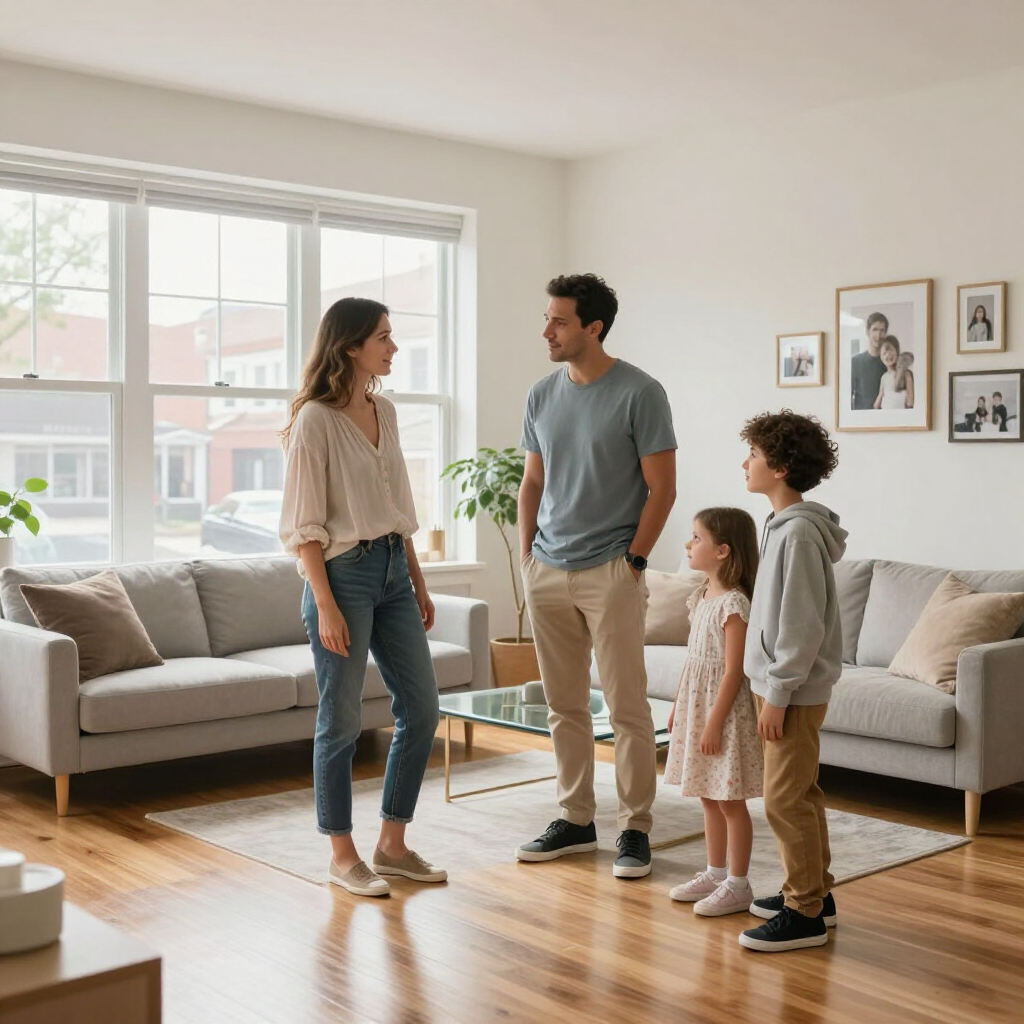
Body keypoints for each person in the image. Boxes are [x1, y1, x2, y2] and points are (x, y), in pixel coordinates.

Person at [278, 297, 445, 898]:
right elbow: (304, 525)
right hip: (342, 578)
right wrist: (324, 604)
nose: (393, 348)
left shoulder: (387, 411)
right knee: (341, 722)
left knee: (422, 710)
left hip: (394, 574)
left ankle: (392, 845)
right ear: (351, 346)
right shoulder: (315, 420)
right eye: (384, 338)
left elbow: (399, 510)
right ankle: (342, 854)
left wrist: (419, 583)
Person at [516, 273, 677, 879]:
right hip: (548, 569)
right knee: (563, 705)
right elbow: (532, 481)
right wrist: (527, 555)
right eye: (548, 318)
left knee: (627, 706)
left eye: (559, 321)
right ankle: (577, 819)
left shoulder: (641, 392)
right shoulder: (541, 394)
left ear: (593, 327)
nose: (547, 331)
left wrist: (634, 559)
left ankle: (634, 828)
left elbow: (663, 488)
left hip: (611, 568)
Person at [737, 410, 846, 953]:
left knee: (782, 799)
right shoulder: (782, 525)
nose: (745, 463)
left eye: (753, 455)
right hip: (782, 685)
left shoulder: (798, 533)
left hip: (793, 690)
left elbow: (801, 627)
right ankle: (814, 894)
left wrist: (778, 694)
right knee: (801, 791)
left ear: (778, 467)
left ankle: (803, 912)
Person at [664, 507, 763, 916]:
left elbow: (733, 671)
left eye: (697, 538)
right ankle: (715, 871)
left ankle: (739, 884)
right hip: (698, 706)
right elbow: (694, 662)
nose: (689, 544)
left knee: (729, 801)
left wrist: (714, 722)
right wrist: (677, 707)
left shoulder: (734, 604)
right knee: (707, 795)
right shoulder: (701, 597)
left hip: (724, 713)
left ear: (722, 550)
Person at [850, 312, 888, 410]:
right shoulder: (855, 362)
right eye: (875, 329)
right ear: (867, 332)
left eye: (882, 330)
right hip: (862, 420)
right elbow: (847, 398)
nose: (878, 335)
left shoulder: (891, 363)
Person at [872, 336, 915, 410]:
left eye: (891, 351)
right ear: (881, 357)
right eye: (884, 353)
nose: (888, 355)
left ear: (897, 352)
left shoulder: (906, 374)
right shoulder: (884, 377)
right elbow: (879, 397)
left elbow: (910, 402)